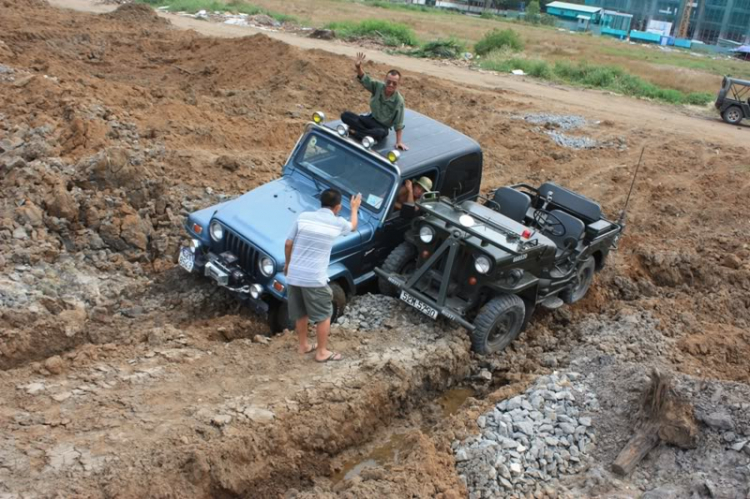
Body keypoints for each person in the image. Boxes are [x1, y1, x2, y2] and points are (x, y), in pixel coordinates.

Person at [284, 188, 362, 363]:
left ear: (321, 202)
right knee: (324, 315)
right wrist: (355, 208)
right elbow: (354, 226)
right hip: (314, 278)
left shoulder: (303, 216)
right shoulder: (337, 222)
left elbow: (288, 243)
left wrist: (288, 264)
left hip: (294, 274)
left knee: (301, 312)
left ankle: (303, 345)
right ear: (338, 207)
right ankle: (321, 352)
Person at [341, 52, 408, 151]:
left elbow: (399, 124)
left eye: (394, 83)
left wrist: (398, 142)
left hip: (381, 127)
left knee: (379, 133)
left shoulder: (399, 101)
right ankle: (365, 134)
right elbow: (365, 79)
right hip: (370, 120)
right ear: (385, 80)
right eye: (389, 82)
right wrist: (358, 67)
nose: (391, 85)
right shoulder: (378, 86)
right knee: (345, 115)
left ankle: (355, 133)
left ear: (398, 84)